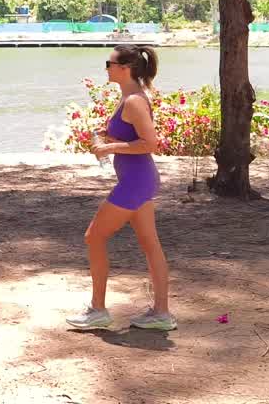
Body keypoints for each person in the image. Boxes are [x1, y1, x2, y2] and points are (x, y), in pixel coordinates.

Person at [65, 44, 176, 331]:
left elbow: (150, 144)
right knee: (150, 245)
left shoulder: (134, 101)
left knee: (94, 237)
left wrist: (109, 147)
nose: (106, 68)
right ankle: (161, 314)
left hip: (136, 182)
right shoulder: (129, 97)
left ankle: (98, 310)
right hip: (139, 180)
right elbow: (130, 134)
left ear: (125, 68)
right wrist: (105, 135)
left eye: (109, 63)